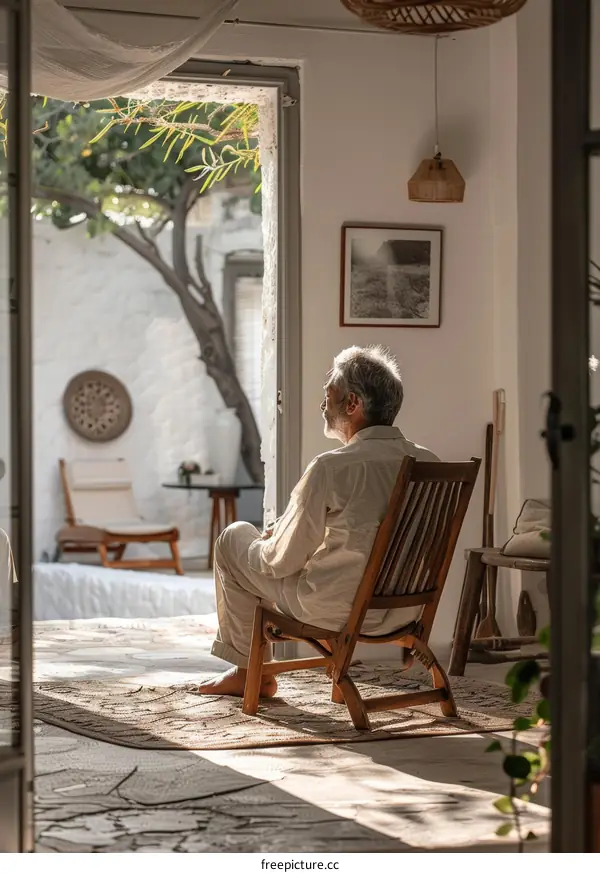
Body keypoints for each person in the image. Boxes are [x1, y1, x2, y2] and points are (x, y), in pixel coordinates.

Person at [196, 345, 438, 698]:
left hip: (336, 611)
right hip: (403, 610)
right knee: (289, 550)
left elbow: (281, 561)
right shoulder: (429, 461)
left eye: (329, 395)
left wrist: (262, 547)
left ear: (352, 404)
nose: (323, 405)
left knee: (234, 538)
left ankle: (250, 672)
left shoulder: (332, 467)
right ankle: (262, 669)